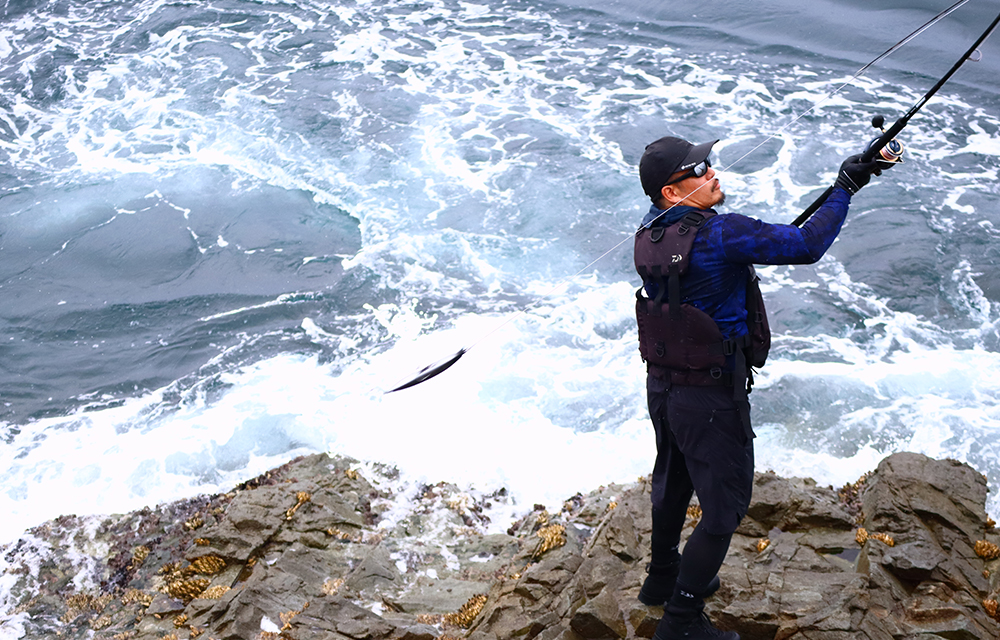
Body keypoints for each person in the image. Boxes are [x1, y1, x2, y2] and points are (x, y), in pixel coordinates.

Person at [633, 136, 880, 640]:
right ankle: (680, 621)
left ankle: (661, 580)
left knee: (673, 482)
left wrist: (839, 188)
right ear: (669, 190)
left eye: (707, 164)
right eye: (697, 171)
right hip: (709, 396)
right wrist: (846, 187)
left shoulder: (648, 232)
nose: (711, 172)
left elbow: (752, 241)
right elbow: (805, 246)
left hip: (663, 387)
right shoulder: (721, 234)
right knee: (724, 511)